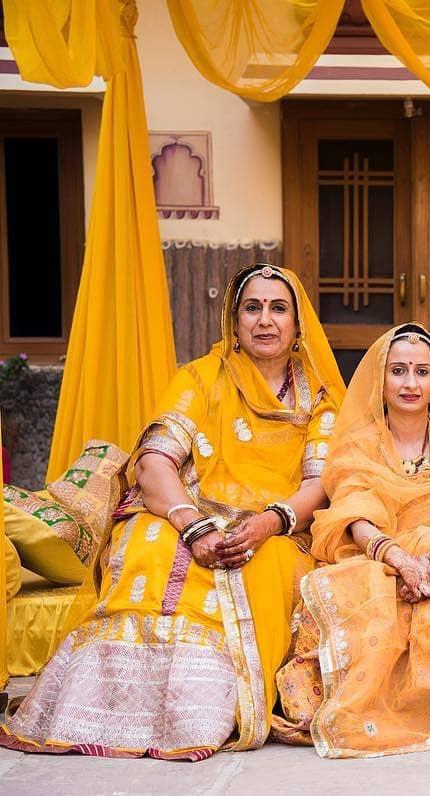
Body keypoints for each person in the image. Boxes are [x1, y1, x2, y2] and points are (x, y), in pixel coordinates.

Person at [0, 264, 344, 759]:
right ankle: (107, 715)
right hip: (187, 511)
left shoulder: (323, 398)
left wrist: (267, 523)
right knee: (148, 546)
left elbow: (318, 484)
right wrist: (190, 522)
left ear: (296, 325)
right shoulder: (200, 378)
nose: (265, 321)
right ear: (234, 319)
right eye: (253, 307)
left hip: (279, 528)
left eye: (278, 308)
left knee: (258, 568)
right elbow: (155, 461)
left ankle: (199, 715)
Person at [272, 323, 430, 757]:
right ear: (381, 378)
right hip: (376, 559)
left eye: (421, 371)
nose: (411, 383)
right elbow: (355, 516)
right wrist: (399, 559)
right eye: (398, 371)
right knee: (365, 584)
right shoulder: (360, 442)